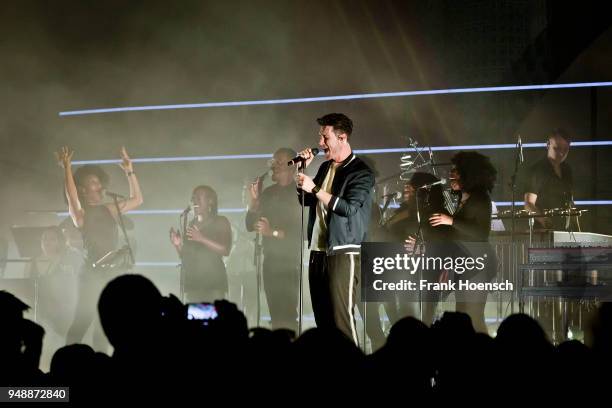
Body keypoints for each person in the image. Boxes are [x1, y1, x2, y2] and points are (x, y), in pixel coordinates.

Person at [295, 113, 375, 344]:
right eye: (320, 137)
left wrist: (314, 188)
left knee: (342, 320)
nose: (320, 143)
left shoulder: (360, 171)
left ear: (342, 137)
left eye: (324, 137)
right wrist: (303, 174)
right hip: (318, 251)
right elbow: (307, 201)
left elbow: (348, 208)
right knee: (323, 322)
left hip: (343, 251)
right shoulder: (324, 168)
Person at [56, 146, 143, 350]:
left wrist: (129, 171)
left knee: (105, 325)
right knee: (82, 321)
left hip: (112, 273)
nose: (98, 184)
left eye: (98, 181)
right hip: (91, 274)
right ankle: (65, 364)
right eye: (93, 182)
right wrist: (67, 168)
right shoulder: (81, 214)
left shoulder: (108, 209)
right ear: (83, 189)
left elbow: (138, 200)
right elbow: (71, 196)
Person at [429, 151, 497, 333]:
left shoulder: (481, 198)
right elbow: (455, 237)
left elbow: (481, 233)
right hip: (463, 262)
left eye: (456, 171)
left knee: (474, 315)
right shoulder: (461, 198)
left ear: (469, 174)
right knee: (462, 315)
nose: (451, 174)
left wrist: (450, 220)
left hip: (477, 262)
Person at [245, 148, 301, 331]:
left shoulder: (300, 193)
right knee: (275, 314)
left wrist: (272, 233)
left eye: (279, 162)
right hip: (270, 261)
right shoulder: (268, 193)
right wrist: (253, 203)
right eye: (273, 161)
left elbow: (299, 233)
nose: (274, 165)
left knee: (287, 313)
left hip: (290, 263)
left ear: (292, 166)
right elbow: (250, 225)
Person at [170, 185, 231, 302]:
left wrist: (202, 238)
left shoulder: (220, 221)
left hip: (213, 284)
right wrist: (177, 245)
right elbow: (185, 256)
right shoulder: (191, 224)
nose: (194, 201)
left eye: (198, 198)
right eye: (193, 198)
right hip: (193, 285)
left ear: (210, 201)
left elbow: (225, 249)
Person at [524, 129, 574, 230]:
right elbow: (528, 204)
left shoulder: (567, 170)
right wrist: (544, 220)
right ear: (548, 145)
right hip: (543, 232)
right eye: (557, 148)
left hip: (565, 230)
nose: (561, 153)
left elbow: (570, 201)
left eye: (565, 150)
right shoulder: (537, 170)